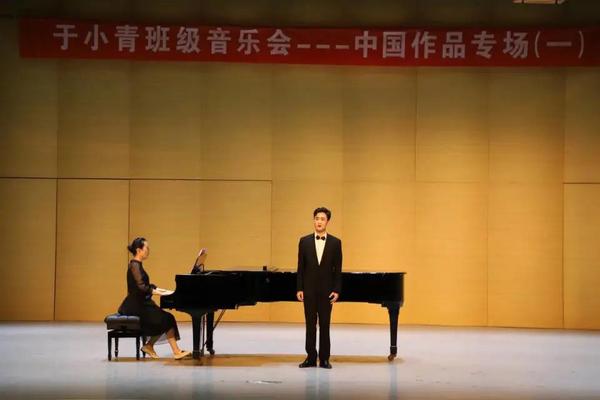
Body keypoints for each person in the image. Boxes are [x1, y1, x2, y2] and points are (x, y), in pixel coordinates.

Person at [118, 237, 191, 360]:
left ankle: (150, 346)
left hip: (141, 302)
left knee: (166, 319)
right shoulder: (134, 265)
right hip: (136, 305)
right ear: (139, 250)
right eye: (146, 248)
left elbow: (146, 286)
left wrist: (164, 291)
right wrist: (158, 292)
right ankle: (174, 351)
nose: (148, 250)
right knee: (167, 319)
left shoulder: (137, 265)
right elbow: (141, 287)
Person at [296, 207, 342, 369]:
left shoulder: (335, 243)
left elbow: (338, 269)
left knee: (325, 324)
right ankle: (310, 357)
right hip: (308, 290)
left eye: (322, 219)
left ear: (327, 221)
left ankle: (324, 359)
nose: (319, 222)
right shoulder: (304, 241)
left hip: (327, 291)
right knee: (310, 325)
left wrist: (337, 290)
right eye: (317, 218)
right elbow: (300, 267)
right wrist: (299, 288)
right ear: (313, 220)